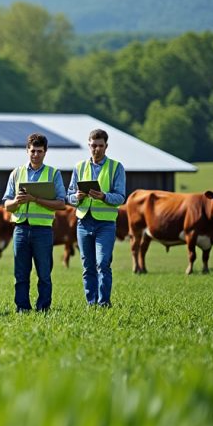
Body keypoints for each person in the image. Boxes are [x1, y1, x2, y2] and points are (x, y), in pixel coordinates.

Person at [2, 133, 67, 313]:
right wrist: (17, 201)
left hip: (43, 231)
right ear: (27, 151)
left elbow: (62, 203)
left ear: (45, 152)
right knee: (20, 274)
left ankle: (43, 308)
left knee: (44, 274)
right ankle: (22, 308)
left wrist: (35, 199)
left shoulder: (53, 174)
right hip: (21, 230)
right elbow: (7, 205)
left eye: (39, 151)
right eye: (32, 151)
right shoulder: (16, 173)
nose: (35, 154)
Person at [67, 128, 126, 307]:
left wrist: (103, 196)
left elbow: (121, 197)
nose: (96, 149)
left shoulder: (116, 167)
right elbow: (68, 196)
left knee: (103, 263)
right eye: (93, 145)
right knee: (88, 266)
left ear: (106, 146)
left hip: (105, 224)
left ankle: (104, 303)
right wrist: (76, 198)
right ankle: (91, 303)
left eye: (100, 146)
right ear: (88, 145)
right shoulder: (79, 167)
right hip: (83, 222)